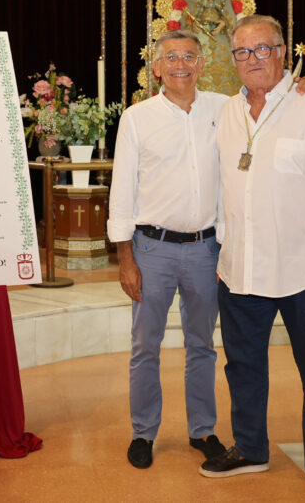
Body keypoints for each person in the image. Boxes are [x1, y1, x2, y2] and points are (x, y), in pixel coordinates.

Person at [201, 14, 305, 503]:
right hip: (241, 269)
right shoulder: (226, 112)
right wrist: (222, 247)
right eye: (242, 53)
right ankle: (251, 448)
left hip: (304, 271)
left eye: (261, 49)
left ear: (283, 52)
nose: (251, 60)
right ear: (232, 60)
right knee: (243, 368)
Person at [108, 29, 230, 469]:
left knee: (202, 345)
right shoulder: (137, 118)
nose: (181, 64)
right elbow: (122, 192)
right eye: (171, 57)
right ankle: (143, 432)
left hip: (205, 250)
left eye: (190, 57)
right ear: (156, 67)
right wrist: (126, 258)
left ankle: (203, 430)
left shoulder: (225, 109)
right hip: (151, 249)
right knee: (146, 346)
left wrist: (302, 86)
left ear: (202, 64)